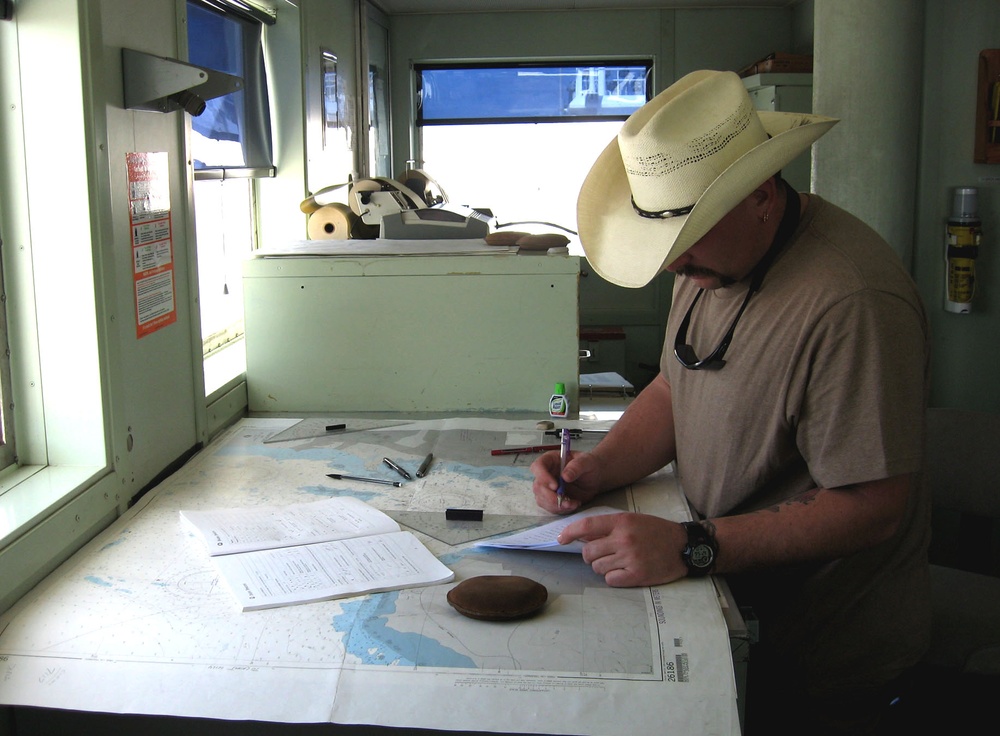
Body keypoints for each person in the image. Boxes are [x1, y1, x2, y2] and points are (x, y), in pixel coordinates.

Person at [531, 70, 931, 735]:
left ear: (762, 196)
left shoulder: (852, 302)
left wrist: (689, 547)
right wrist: (598, 468)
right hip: (727, 594)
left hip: (823, 652)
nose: (672, 266)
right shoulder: (711, 257)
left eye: (687, 237)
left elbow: (873, 507)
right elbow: (675, 385)